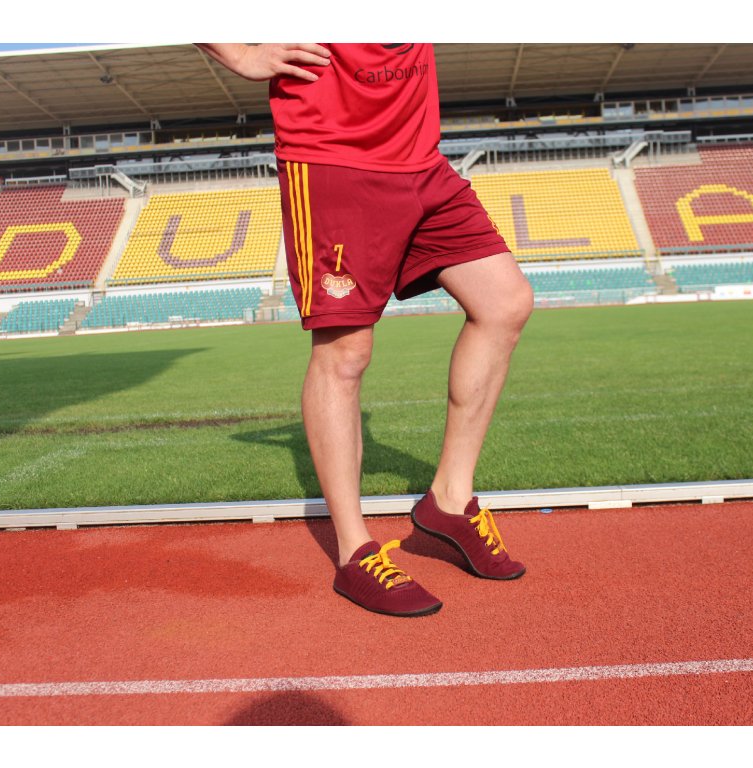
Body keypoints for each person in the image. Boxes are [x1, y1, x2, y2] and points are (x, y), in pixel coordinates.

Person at [197, 43, 533, 617]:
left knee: (505, 302)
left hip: (421, 159)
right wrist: (241, 54)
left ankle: (450, 500)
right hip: (333, 157)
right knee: (346, 351)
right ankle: (354, 552)